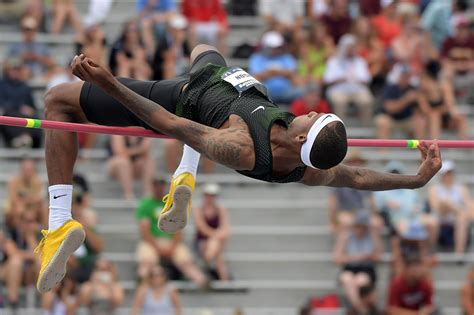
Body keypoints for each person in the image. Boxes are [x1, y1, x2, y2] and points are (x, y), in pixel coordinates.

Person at [36, 44, 441, 293]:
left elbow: (170, 123)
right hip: (222, 77)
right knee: (203, 46)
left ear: (302, 139)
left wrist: (108, 83)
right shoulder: (308, 168)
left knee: (58, 100)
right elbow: (355, 175)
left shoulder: (240, 147)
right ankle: (184, 175)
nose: (310, 110)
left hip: (186, 97)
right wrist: (416, 179)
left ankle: (60, 223)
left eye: (313, 116)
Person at [136, 178, 208, 286]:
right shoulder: (146, 204)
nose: (159, 188)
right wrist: (157, 247)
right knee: (147, 261)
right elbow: (144, 230)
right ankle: (142, 284)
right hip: (152, 241)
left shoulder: (171, 203)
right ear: (152, 187)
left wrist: (173, 247)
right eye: (156, 185)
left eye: (161, 185)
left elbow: (178, 227)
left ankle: (203, 282)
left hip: (171, 240)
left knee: (185, 261)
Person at [375, 161, 438, 245]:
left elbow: (420, 206)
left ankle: (429, 250)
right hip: (398, 218)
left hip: (414, 216)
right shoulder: (381, 191)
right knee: (404, 229)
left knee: (432, 221)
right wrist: (387, 204)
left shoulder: (409, 190)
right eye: (392, 173)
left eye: (397, 173)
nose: (395, 176)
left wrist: (417, 208)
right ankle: (412, 252)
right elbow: (377, 207)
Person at [334, 211, 381, 314]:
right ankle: (360, 309)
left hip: (367, 269)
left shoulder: (371, 236)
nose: (359, 229)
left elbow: (377, 257)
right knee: (346, 278)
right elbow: (337, 258)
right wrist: (358, 257)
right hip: (350, 268)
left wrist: (374, 232)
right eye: (357, 226)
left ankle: (356, 310)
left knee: (360, 280)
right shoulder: (346, 236)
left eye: (362, 226)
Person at [323, 34, 374, 125]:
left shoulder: (360, 61)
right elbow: (327, 79)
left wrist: (356, 78)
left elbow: (367, 78)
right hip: (339, 89)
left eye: (353, 47)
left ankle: (366, 126)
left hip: (357, 89)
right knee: (339, 101)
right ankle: (340, 128)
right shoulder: (334, 61)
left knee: (366, 100)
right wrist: (341, 78)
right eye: (348, 47)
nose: (351, 50)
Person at [428, 160, 473, 257]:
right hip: (440, 221)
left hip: (456, 221)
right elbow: (435, 206)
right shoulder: (434, 189)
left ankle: (459, 253)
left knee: (461, 218)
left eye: (449, 173)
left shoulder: (461, 188)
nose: (447, 176)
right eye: (445, 173)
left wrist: (456, 209)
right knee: (446, 205)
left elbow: (470, 206)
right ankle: (432, 251)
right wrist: (454, 207)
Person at [419, 60, 469, 140]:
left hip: (446, 118)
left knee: (461, 119)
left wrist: (439, 92)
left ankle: (466, 148)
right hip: (429, 120)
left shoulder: (444, 87)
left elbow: (450, 105)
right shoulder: (422, 92)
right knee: (434, 116)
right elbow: (425, 110)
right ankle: (435, 145)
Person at [249, 31, 304, 104]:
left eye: (278, 47)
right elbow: (256, 76)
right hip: (266, 93)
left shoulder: (286, 57)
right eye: (272, 47)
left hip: (287, 92)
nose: (276, 50)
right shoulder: (257, 58)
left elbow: (292, 73)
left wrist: (273, 72)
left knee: (302, 91)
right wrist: (282, 73)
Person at [375, 63, 426, 140]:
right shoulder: (390, 88)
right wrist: (406, 99)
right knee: (382, 122)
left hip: (407, 120)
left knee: (421, 121)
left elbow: (424, 110)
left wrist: (421, 99)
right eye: (403, 76)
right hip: (391, 119)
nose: (405, 78)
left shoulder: (413, 88)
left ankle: (419, 150)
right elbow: (389, 108)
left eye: (407, 76)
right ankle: (384, 152)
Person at [0, 58, 43, 148]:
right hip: (10, 114)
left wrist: (30, 110)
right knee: (8, 115)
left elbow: (32, 106)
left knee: (35, 117)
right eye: (13, 69)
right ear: (7, 71)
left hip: (24, 116)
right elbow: (3, 104)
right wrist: (20, 107)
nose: (15, 72)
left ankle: (27, 140)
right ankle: (23, 138)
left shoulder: (25, 86)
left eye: (17, 69)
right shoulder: (2, 85)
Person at [194, 183, 230, 281]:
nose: (210, 198)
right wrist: (216, 235)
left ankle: (207, 263)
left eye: (212, 195)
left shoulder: (220, 209)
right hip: (202, 242)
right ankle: (224, 280)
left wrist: (215, 237)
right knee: (218, 256)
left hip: (214, 242)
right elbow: (202, 228)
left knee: (214, 247)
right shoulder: (199, 209)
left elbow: (226, 229)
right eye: (208, 195)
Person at [107, 135, 155, 199]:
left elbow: (146, 150)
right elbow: (119, 152)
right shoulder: (119, 131)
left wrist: (127, 151)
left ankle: (148, 194)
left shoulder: (144, 132)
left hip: (135, 165)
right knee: (123, 161)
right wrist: (139, 149)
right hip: (116, 166)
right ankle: (128, 194)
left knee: (148, 161)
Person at [441, 18, 474, 104]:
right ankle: (452, 108)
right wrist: (456, 66)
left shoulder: (472, 41)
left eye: (464, 28)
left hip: (469, 71)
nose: (462, 31)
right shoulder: (449, 41)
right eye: (460, 28)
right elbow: (444, 61)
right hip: (453, 71)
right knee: (445, 76)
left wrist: (464, 65)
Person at [6, 158, 46, 228]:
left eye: (30, 170)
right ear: (21, 170)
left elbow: (39, 199)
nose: (28, 172)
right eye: (26, 170)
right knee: (19, 209)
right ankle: (20, 234)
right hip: (20, 209)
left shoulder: (37, 182)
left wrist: (26, 200)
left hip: (33, 209)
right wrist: (29, 202)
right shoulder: (14, 182)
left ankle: (47, 231)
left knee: (44, 209)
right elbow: (14, 200)